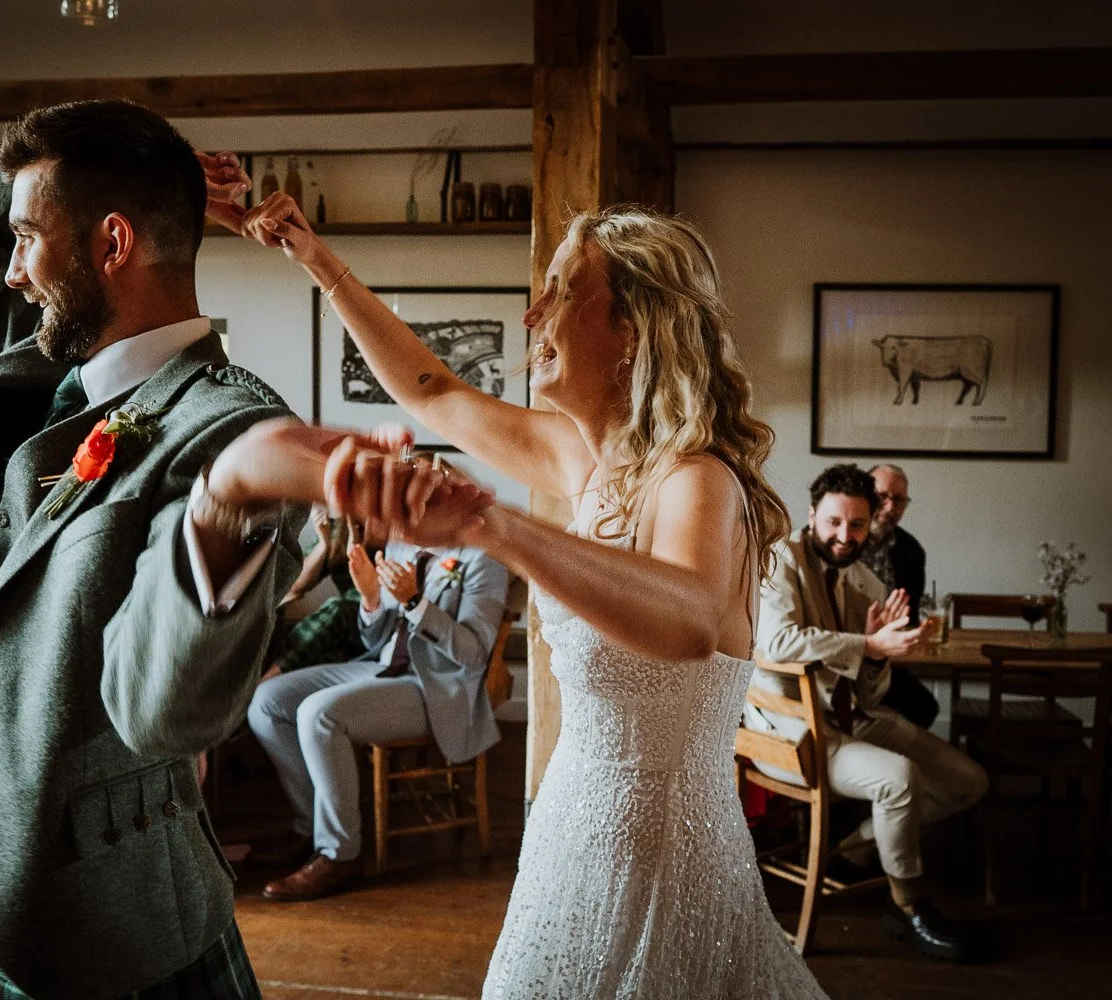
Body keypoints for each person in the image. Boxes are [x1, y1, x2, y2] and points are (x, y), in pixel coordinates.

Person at [202, 165, 829, 996]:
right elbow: (433, 392)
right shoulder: (586, 460)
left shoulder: (696, 479)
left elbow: (689, 622)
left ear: (633, 326)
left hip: (664, 862)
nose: (532, 315)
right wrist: (319, 261)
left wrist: (489, 522)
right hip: (570, 829)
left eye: (561, 292)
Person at [0, 100, 303, 1000]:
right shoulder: (47, 363)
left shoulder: (233, 431)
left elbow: (177, 703)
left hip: (109, 920)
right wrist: (123, 146)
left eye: (29, 239)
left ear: (109, 246)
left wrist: (226, 506)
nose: (13, 271)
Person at [753, 463, 987, 963]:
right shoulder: (779, 559)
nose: (845, 536)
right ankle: (908, 906)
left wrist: (880, 656)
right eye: (834, 522)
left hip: (849, 717)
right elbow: (776, 642)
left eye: (857, 525)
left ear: (871, 522)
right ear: (812, 514)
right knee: (899, 778)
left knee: (968, 780)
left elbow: (870, 690)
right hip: (790, 732)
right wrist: (868, 642)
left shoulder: (867, 584)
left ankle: (859, 848)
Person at [248, 537, 508, 900]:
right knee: (267, 701)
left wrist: (416, 603)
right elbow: (375, 636)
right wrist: (370, 600)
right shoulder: (401, 548)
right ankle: (311, 824)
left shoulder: (484, 561)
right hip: (383, 666)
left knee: (318, 714)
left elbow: (473, 654)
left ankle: (340, 854)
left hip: (436, 688)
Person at [860, 462, 939, 729]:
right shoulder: (844, 540)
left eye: (899, 500)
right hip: (846, 651)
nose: (890, 507)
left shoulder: (911, 550)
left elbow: (911, 615)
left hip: (890, 659)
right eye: (882, 497)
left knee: (925, 707)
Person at [265, 507, 378, 677]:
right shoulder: (341, 527)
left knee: (336, 609)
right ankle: (259, 680)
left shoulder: (389, 527)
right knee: (280, 623)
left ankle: (266, 679)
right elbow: (296, 586)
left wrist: (357, 550)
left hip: (376, 613)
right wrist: (323, 544)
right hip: (345, 630)